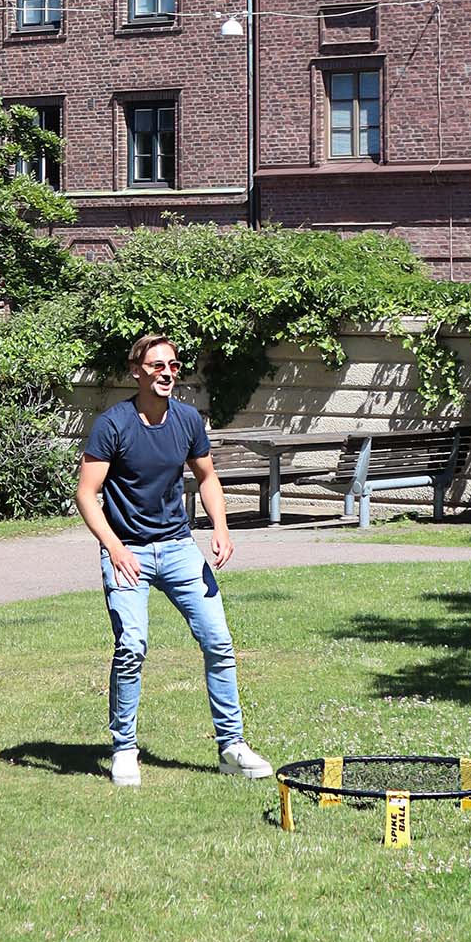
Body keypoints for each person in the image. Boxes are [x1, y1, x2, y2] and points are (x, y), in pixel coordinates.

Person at [75, 331, 272, 787]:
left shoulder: (186, 420)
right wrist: (114, 547)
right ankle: (124, 749)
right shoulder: (113, 424)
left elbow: (207, 478)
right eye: (157, 366)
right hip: (129, 551)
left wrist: (220, 528)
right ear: (136, 370)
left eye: (174, 366)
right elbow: (87, 494)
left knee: (219, 643)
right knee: (132, 648)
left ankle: (232, 748)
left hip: (179, 548)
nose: (167, 373)